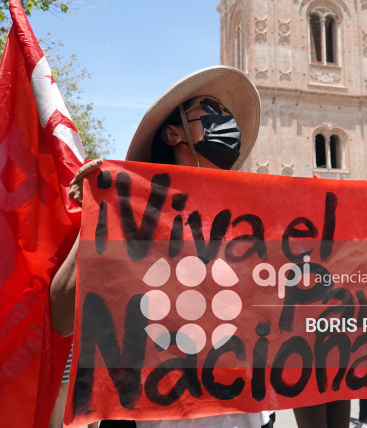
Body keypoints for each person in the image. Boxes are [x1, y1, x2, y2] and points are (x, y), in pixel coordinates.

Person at [50, 65, 263, 427]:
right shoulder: (130, 209)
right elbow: (61, 316)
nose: (224, 119)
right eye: (209, 108)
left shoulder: (253, 218)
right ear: (173, 132)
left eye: (226, 113)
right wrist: (98, 215)